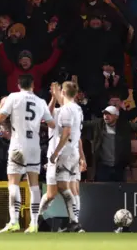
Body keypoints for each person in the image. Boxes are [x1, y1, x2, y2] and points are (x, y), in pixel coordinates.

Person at [0, 74, 55, 233]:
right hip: (34, 146)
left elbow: (0, 118)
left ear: (18, 84)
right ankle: (34, 223)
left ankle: (14, 221)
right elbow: (51, 123)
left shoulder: (13, 97)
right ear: (33, 85)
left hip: (18, 144)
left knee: (13, 183)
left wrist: (1, 107)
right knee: (34, 185)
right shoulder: (40, 101)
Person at [37, 82, 84, 233]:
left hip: (62, 154)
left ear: (63, 92)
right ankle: (37, 218)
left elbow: (67, 133)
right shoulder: (76, 109)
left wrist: (56, 153)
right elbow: (49, 116)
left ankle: (74, 222)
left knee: (67, 188)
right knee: (52, 193)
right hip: (70, 153)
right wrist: (54, 96)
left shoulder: (66, 110)